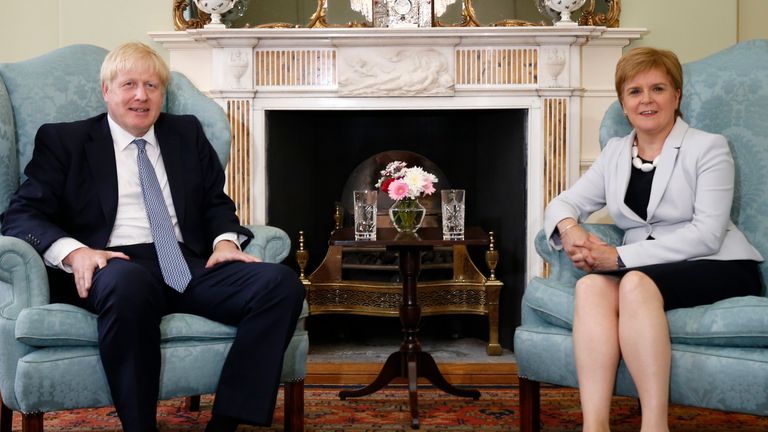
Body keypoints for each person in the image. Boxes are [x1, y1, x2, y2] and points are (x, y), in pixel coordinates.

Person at [0, 42, 305, 432]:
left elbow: (215, 202)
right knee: (129, 284)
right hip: (113, 263)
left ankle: (228, 421)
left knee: (280, 284)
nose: (141, 95)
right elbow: (21, 214)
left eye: (151, 85)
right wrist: (75, 253)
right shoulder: (66, 141)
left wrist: (225, 242)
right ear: (106, 91)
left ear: (162, 93)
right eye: (129, 84)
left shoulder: (186, 134)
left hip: (184, 264)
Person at [543, 47, 763, 432]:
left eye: (657, 88)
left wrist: (621, 257)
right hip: (649, 267)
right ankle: (594, 426)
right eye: (634, 91)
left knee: (635, 284)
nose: (646, 100)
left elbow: (707, 235)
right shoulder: (615, 153)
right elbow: (564, 201)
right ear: (623, 104)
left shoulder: (708, 147)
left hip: (720, 263)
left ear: (676, 96)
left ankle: (654, 426)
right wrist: (571, 229)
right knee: (591, 288)